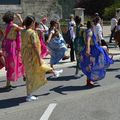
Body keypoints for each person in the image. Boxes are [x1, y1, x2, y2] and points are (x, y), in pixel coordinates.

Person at [21, 16, 60, 101]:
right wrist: (39, 58)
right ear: (32, 23)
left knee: (30, 74)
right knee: (31, 74)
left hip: (25, 55)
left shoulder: (23, 31)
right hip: (32, 55)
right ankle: (29, 95)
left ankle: (54, 72)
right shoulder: (32, 33)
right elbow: (35, 46)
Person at [80, 21, 113, 86]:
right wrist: (88, 50)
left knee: (90, 65)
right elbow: (88, 41)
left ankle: (89, 80)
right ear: (92, 26)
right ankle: (91, 79)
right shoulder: (90, 32)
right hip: (93, 50)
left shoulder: (85, 31)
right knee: (97, 63)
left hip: (90, 49)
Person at [0, 11, 24, 89]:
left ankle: (9, 83)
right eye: (14, 16)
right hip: (12, 45)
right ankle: (23, 76)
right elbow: (24, 29)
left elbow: (2, 37)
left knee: (10, 63)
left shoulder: (3, 26)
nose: (14, 17)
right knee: (14, 61)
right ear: (11, 17)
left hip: (5, 45)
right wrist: (20, 18)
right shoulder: (14, 25)